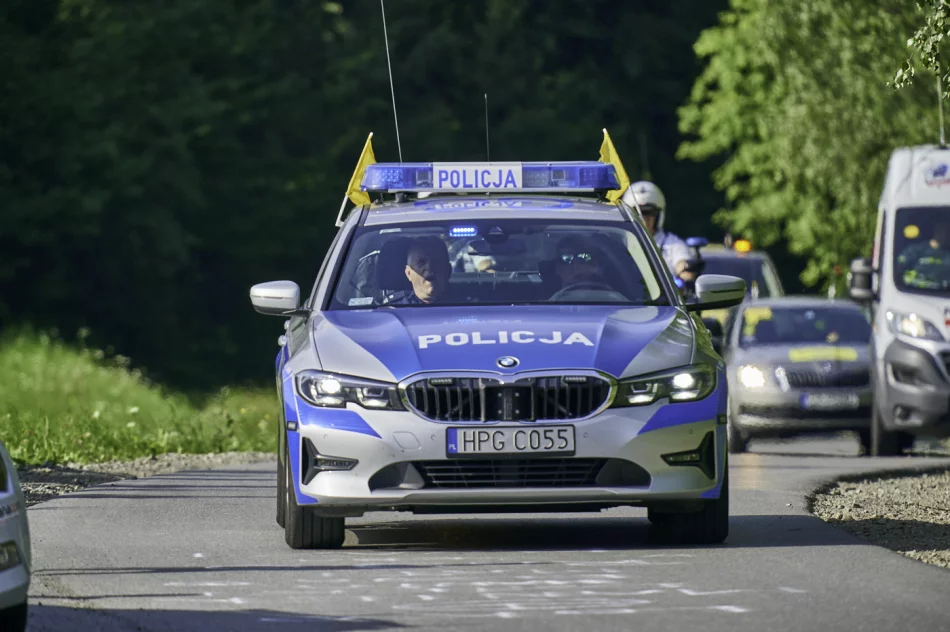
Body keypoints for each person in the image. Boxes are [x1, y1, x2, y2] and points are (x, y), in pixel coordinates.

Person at [621, 181, 697, 284]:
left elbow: (682, 263)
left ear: (658, 215)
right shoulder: (620, 242)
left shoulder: (673, 244)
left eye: (649, 212)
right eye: (637, 212)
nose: (644, 218)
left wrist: (685, 274)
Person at [385, 236, 453, 305]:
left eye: (436, 261)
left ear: (448, 270)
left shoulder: (460, 302)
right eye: (421, 262)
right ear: (408, 273)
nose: (429, 267)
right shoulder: (393, 308)